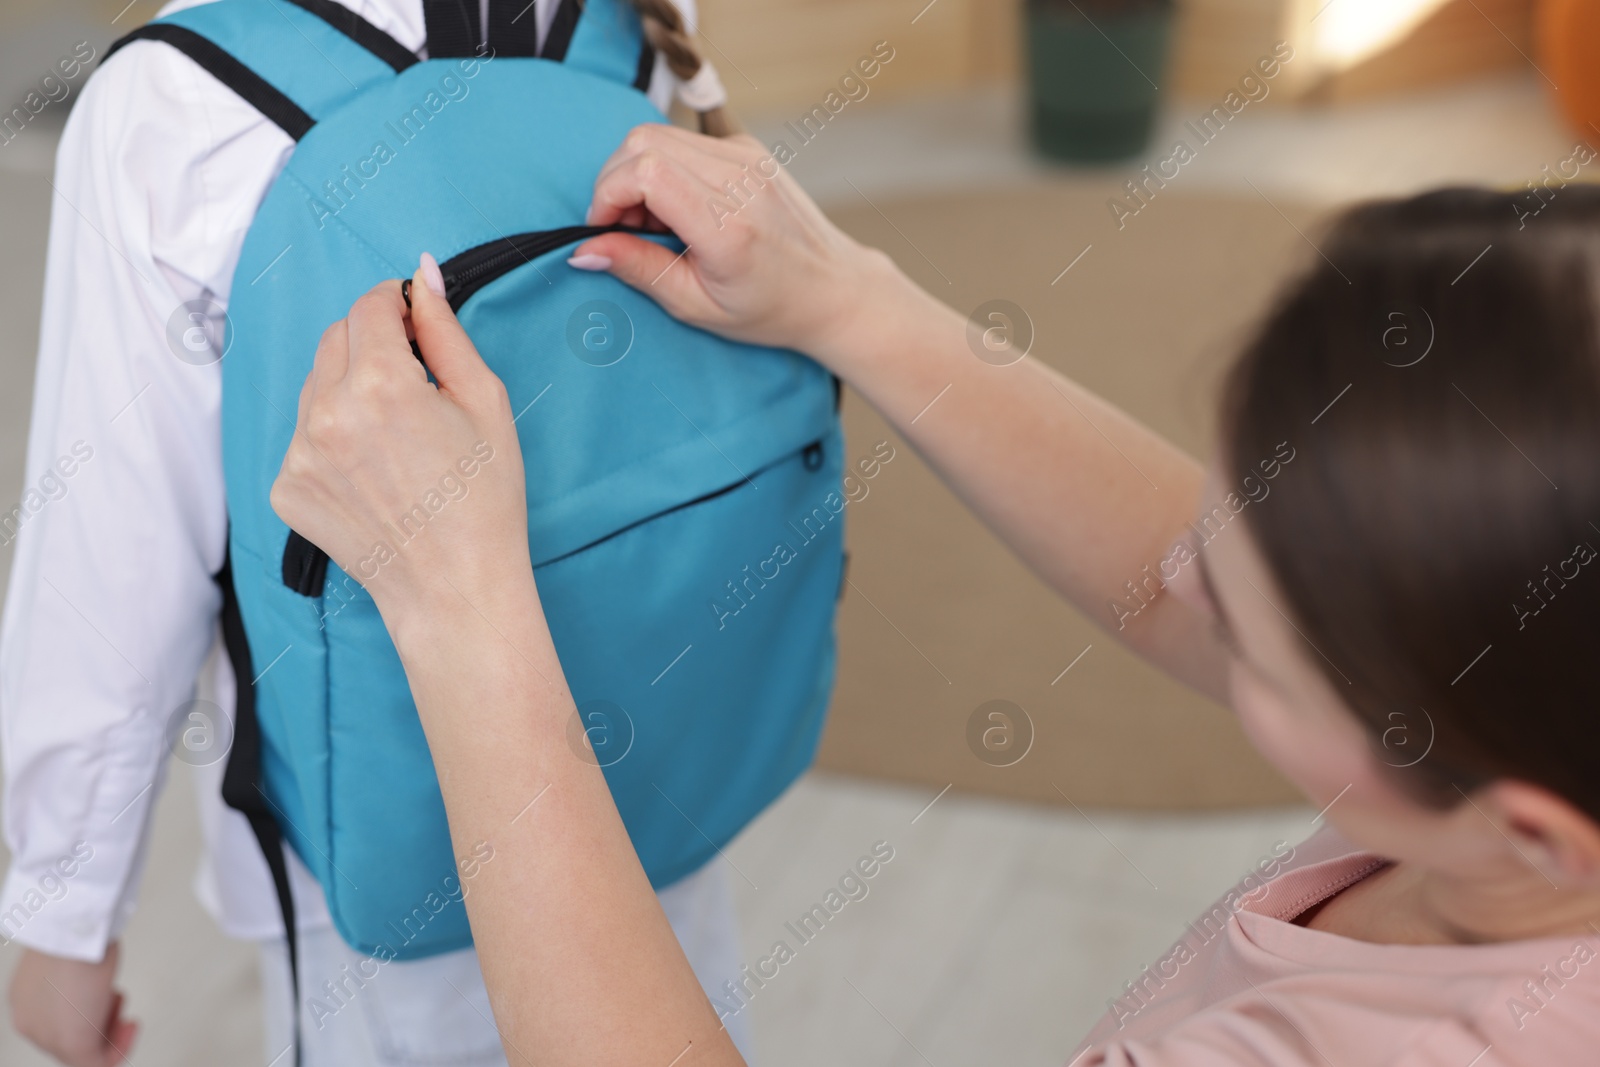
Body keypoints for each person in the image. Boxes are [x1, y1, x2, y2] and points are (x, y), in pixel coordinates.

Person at [271, 123, 1600, 1066]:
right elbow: (1182, 576)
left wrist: (465, 612)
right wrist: (849, 301)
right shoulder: (1531, 773)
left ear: (1538, 833)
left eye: (1255, 640)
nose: (1186, 574)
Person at [1, 5, 760, 1067]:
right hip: (649, 779)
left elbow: (113, 557)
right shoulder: (616, 26)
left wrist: (63, 911)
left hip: (373, 857)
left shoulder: (182, 96)